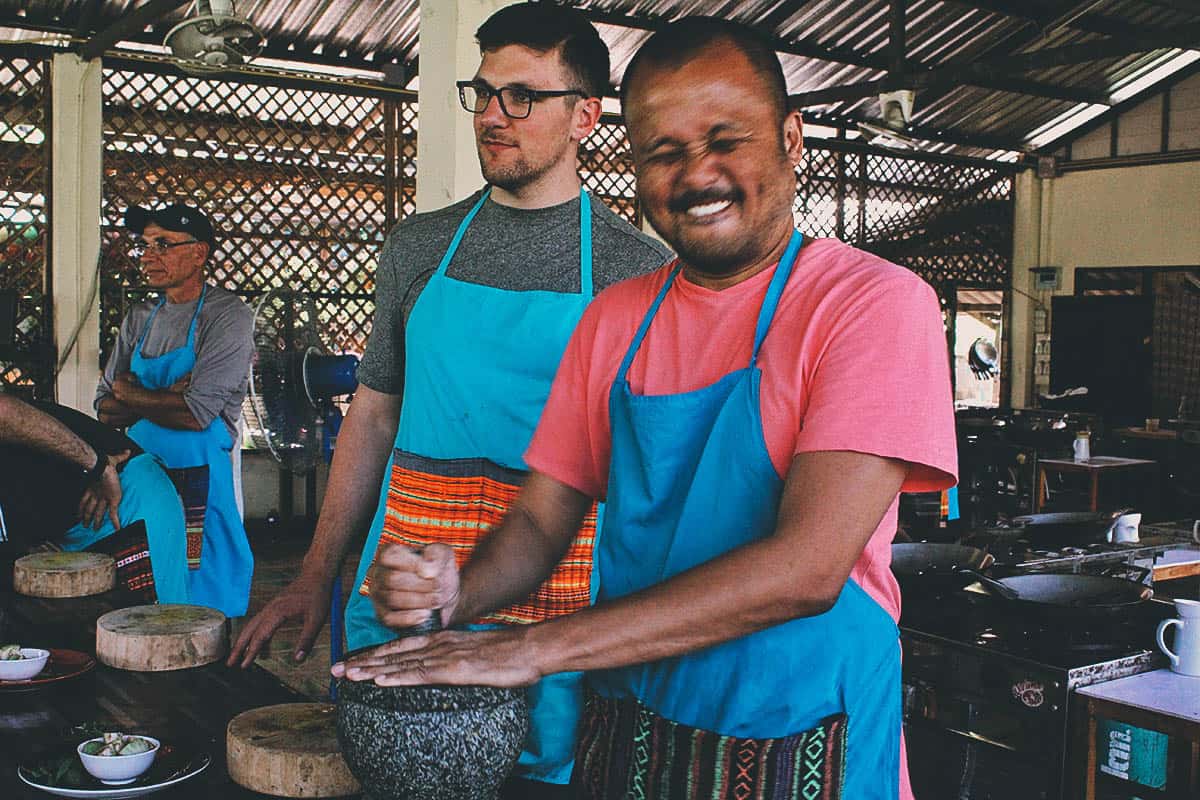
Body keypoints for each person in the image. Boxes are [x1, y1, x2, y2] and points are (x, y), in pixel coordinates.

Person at [334, 17, 956, 800]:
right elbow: (537, 525)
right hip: (632, 720)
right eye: (664, 150)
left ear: (792, 138)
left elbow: (806, 570)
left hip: (803, 728)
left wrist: (530, 651)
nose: (697, 173)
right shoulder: (618, 319)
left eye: (726, 138)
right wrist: (455, 591)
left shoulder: (870, 304)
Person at [229, 4, 670, 797]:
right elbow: (375, 414)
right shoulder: (419, 245)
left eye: (522, 96)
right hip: (404, 594)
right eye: (485, 92)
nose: (495, 116)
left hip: (555, 597)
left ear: (586, 116)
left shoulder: (637, 269)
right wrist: (314, 574)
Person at [96, 202, 255, 618]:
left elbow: (195, 415)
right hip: (139, 471)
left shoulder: (226, 316)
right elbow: (104, 411)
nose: (149, 257)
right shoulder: (139, 318)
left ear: (199, 252)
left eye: (163, 244)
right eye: (145, 246)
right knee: (144, 589)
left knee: (202, 596)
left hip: (200, 476)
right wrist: (166, 394)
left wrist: (130, 391)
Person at [0, 393, 187, 603]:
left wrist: (98, 466)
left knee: (155, 624)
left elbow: (4, 411)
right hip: (68, 530)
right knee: (90, 630)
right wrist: (24, 547)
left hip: (125, 494)